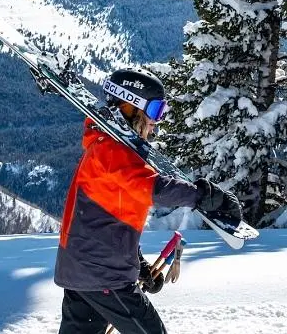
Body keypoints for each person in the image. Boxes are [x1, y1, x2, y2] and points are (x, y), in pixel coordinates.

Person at [55, 69, 232, 334]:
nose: (156, 122)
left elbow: (110, 222)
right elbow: (155, 188)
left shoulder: (106, 148)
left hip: (84, 271)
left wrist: (139, 266)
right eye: (156, 110)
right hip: (104, 276)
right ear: (131, 106)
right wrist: (201, 196)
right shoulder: (111, 151)